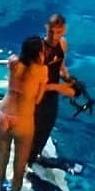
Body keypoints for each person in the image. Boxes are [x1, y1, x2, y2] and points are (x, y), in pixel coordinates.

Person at [0, 35, 73, 191]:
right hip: (22, 119)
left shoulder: (13, 62)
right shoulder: (41, 71)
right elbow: (37, 99)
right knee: (19, 164)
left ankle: (0, 186)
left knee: (3, 155)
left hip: (3, 114)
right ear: (38, 54)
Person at [29, 13, 72, 166]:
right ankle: (27, 159)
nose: (54, 36)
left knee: (47, 125)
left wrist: (68, 78)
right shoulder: (40, 49)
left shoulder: (63, 44)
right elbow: (34, 79)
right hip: (37, 94)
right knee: (34, 126)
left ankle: (36, 156)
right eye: (51, 32)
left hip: (51, 94)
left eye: (59, 32)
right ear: (46, 28)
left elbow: (61, 66)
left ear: (64, 30)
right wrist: (59, 87)